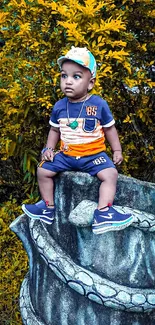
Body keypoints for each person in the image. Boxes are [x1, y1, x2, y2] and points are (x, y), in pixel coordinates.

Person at [22, 46, 133, 234]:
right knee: (43, 170)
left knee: (110, 174)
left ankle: (104, 213)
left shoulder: (98, 104)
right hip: (67, 154)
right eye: (64, 76)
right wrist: (49, 148)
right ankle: (48, 208)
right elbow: (54, 130)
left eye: (76, 76)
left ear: (90, 83)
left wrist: (117, 151)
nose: (68, 82)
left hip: (93, 156)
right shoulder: (59, 106)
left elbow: (110, 128)